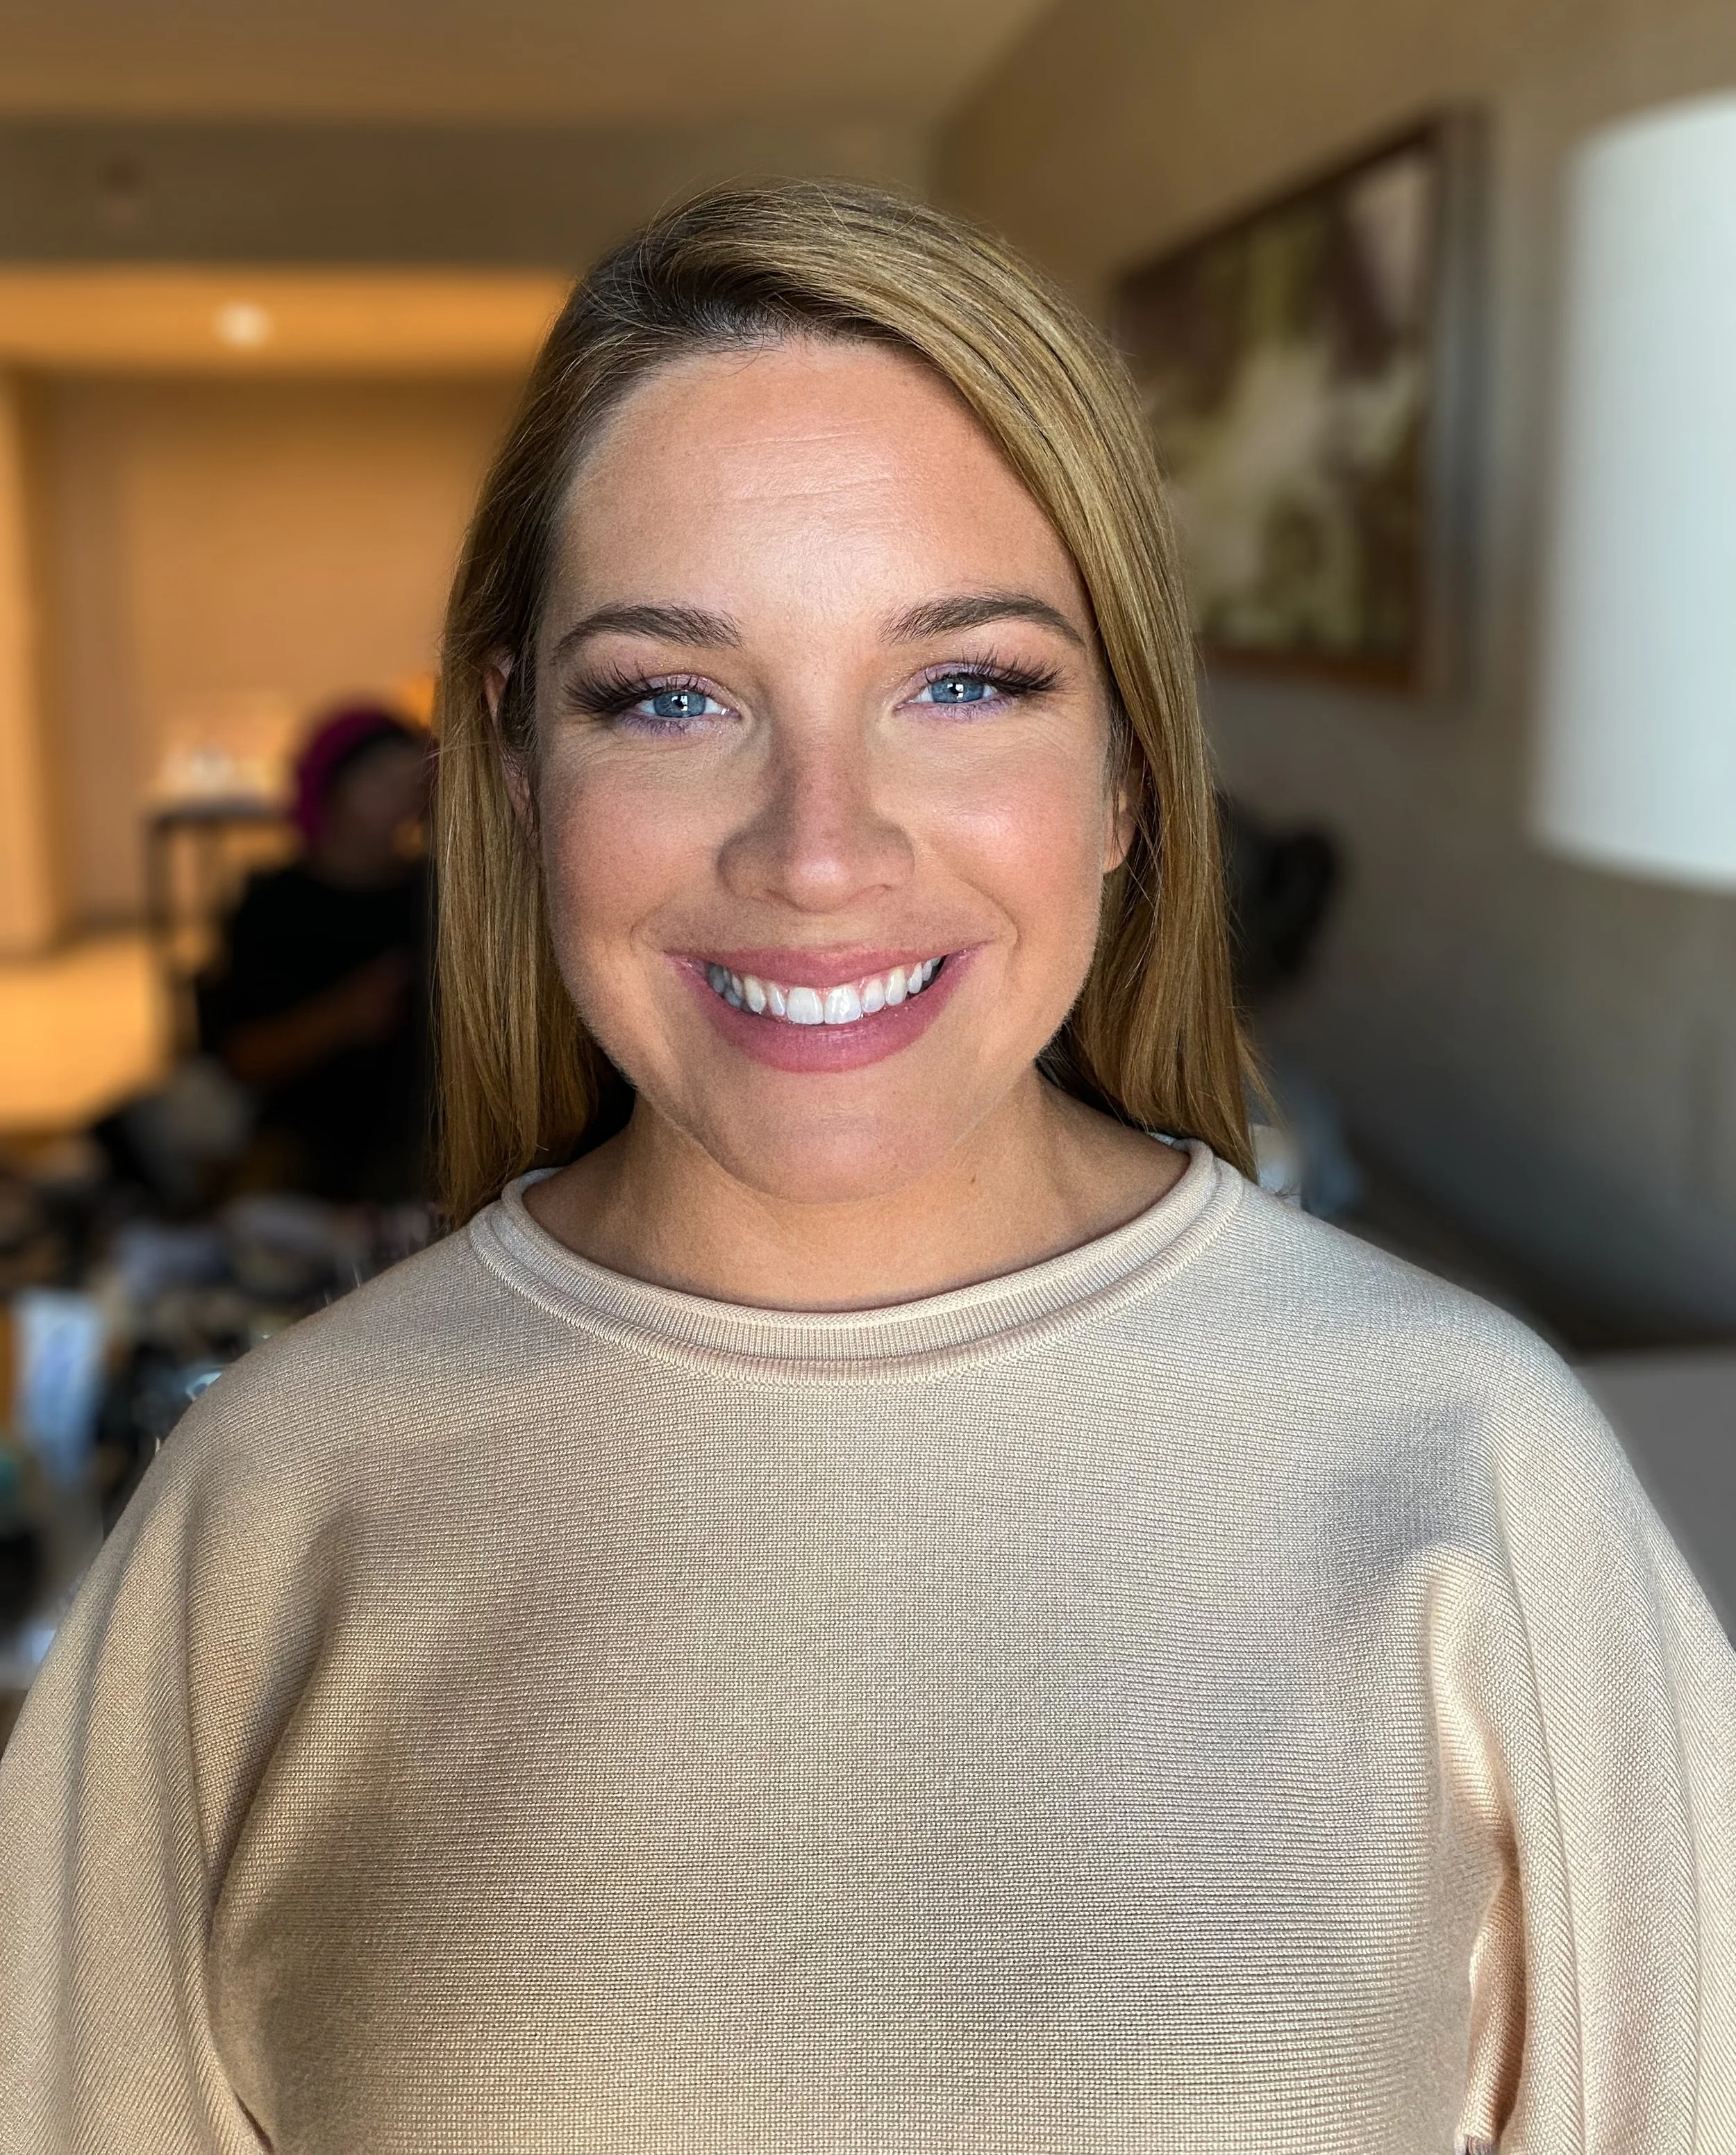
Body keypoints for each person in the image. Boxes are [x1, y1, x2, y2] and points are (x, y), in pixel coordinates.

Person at [2, 182, 1732, 2154]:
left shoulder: (1457, 1459)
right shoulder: (275, 1502)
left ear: (1128, 779)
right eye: (670, 694)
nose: (816, 852)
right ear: (511, 766)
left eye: (966, 680)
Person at [197, 701, 433, 1204]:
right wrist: (343, 1016)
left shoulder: (438, 890)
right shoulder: (273, 906)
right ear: (330, 791)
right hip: (305, 1135)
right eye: (379, 780)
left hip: (423, 1133)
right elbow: (243, 1057)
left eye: (408, 779)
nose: (400, 797)